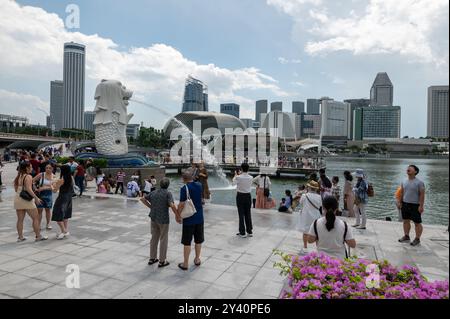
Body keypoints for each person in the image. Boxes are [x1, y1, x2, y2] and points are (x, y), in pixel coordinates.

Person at [140, 178, 178, 268]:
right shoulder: (168, 193)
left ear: (160, 184)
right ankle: (162, 261)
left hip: (153, 217)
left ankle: (152, 258)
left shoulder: (154, 192)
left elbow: (142, 199)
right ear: (168, 185)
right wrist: (178, 215)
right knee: (163, 239)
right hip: (163, 220)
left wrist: (151, 207)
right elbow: (172, 205)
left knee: (154, 238)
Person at [177, 168, 204, 271]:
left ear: (183, 179)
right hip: (199, 217)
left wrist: (178, 215)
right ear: (192, 177)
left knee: (187, 242)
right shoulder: (199, 185)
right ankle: (197, 259)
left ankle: (185, 264)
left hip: (189, 219)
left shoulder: (184, 188)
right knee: (198, 240)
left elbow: (181, 204)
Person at [13, 161, 48, 242]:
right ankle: (38, 236)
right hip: (27, 200)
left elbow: (15, 189)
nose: (32, 168)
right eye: (31, 167)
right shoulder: (28, 176)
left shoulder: (18, 176)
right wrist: (36, 198)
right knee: (35, 218)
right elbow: (29, 189)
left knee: (20, 219)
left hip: (18, 198)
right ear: (26, 168)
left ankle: (20, 237)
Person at [398, 165, 425, 246]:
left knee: (417, 222)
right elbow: (402, 192)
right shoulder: (404, 181)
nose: (408, 168)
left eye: (411, 167)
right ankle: (406, 236)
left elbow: (422, 195)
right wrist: (400, 202)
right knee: (406, 221)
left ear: (415, 171)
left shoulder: (419, 182)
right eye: (408, 167)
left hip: (415, 205)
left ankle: (417, 238)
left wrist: (421, 206)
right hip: (405, 204)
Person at [297, 181, 322, 254]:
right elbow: (320, 205)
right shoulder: (319, 196)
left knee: (305, 232)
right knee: (316, 232)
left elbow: (301, 203)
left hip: (306, 214)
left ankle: (305, 247)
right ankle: (318, 248)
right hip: (316, 214)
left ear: (309, 188)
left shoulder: (305, 195)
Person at [52, 165, 74, 239]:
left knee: (57, 214)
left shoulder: (62, 179)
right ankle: (64, 231)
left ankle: (64, 231)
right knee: (65, 215)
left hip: (62, 198)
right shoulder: (71, 178)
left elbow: (54, 190)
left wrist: (51, 185)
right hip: (69, 198)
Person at [232, 163, 254, 238]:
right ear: (248, 169)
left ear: (241, 168)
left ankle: (242, 232)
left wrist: (235, 175)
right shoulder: (251, 177)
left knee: (241, 214)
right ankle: (249, 231)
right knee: (248, 213)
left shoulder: (238, 177)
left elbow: (233, 183)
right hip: (248, 196)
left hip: (240, 196)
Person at [33, 163, 54, 230]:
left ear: (52, 169)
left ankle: (48, 224)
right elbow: (32, 180)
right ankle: (38, 225)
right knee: (39, 210)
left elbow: (54, 188)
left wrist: (45, 188)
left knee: (48, 210)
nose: (48, 169)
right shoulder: (41, 174)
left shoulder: (54, 176)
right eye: (46, 168)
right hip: (40, 194)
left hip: (48, 195)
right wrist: (35, 188)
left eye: (49, 168)